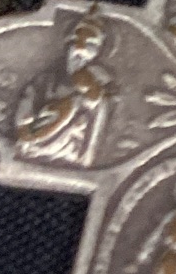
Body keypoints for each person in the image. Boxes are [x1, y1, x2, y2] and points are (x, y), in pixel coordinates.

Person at [14, 12, 114, 167]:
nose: (80, 49)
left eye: (90, 45)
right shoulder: (44, 81)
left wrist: (91, 93)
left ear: (98, 52)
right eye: (75, 41)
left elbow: (93, 139)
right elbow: (24, 125)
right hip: (33, 149)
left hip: (72, 158)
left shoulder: (101, 87)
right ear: (67, 45)